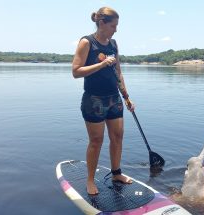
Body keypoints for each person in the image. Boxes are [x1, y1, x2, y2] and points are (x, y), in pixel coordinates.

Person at [72, 7, 135, 195]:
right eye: (113, 25)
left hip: (113, 98)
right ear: (101, 23)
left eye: (117, 26)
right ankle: (90, 180)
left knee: (117, 137)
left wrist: (126, 97)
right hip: (94, 99)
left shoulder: (113, 44)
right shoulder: (87, 42)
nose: (116, 29)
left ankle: (116, 173)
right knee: (96, 141)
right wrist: (101, 64)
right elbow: (75, 71)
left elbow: (118, 73)